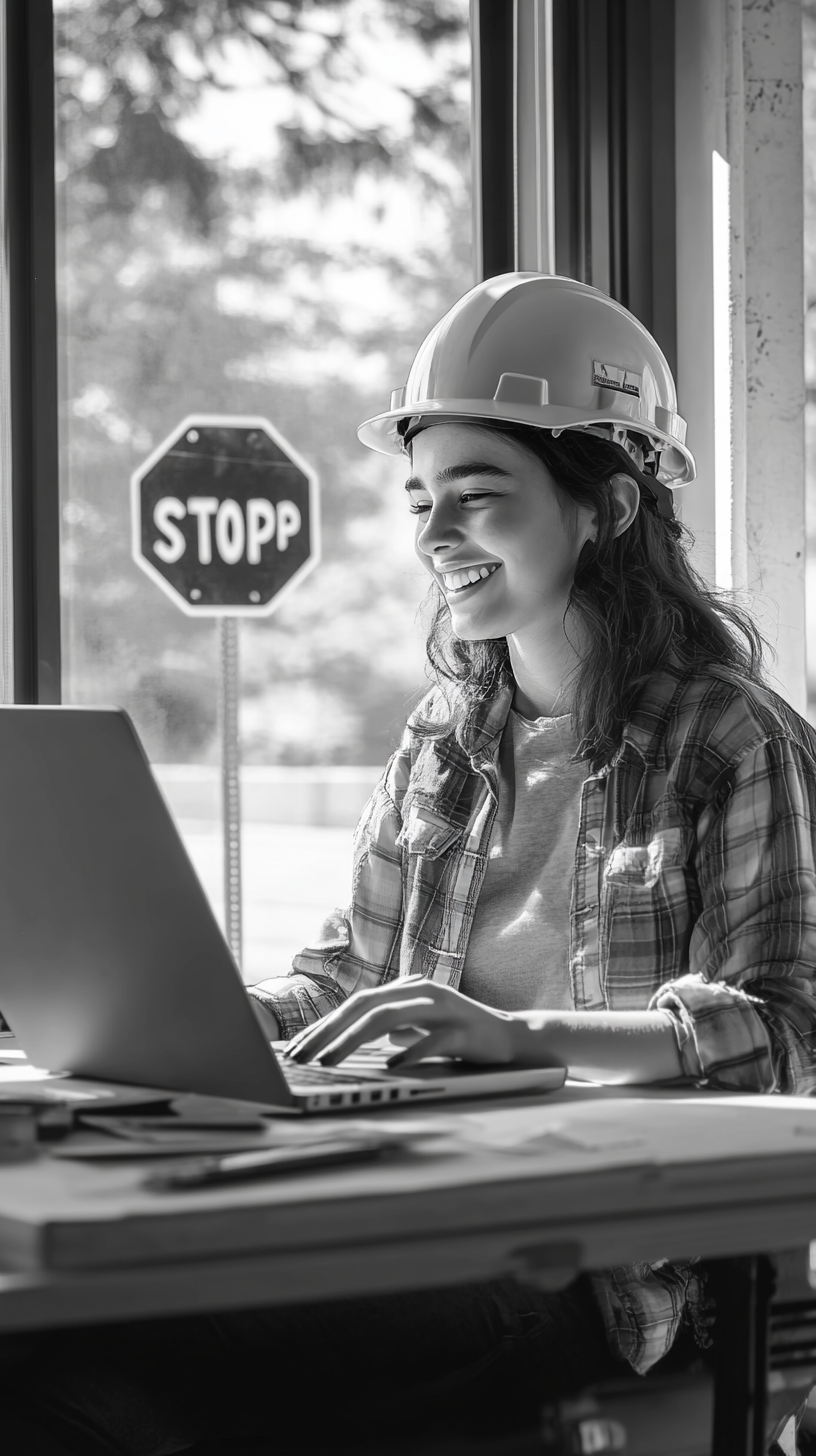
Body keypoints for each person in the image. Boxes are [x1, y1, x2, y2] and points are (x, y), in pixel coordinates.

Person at [7, 272, 816, 1453]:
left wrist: (524, 1042)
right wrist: (123, 1013)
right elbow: (347, 985)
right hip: (406, 1209)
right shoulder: (444, 735)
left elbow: (788, 1035)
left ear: (614, 505)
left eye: (477, 497)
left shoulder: (729, 738)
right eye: (421, 498)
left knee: (106, 1369)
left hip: (595, 1273)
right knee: (62, 1375)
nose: (434, 534)